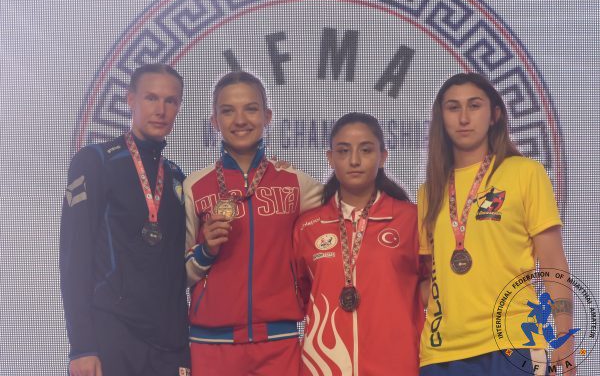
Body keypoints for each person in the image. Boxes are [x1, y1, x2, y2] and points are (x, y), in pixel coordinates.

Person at [418, 73, 575, 375]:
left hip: (514, 341)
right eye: (453, 107)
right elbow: (429, 281)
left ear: (495, 115)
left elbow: (554, 263)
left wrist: (564, 341)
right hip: (442, 354)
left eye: (474, 105)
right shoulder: (429, 192)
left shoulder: (525, 173)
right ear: (441, 118)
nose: (464, 118)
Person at [183, 71, 322, 375]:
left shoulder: (296, 183)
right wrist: (205, 251)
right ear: (214, 121)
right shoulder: (194, 187)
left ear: (267, 116)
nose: (240, 120)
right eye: (227, 111)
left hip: (279, 344)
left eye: (251, 108)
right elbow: (175, 275)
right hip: (210, 346)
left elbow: (343, 213)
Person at [60, 64, 190, 376]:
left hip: (169, 345)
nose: (161, 110)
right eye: (151, 98)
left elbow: (181, 269)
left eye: (170, 101)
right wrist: (82, 346)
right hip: (112, 336)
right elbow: (74, 257)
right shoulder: (95, 161)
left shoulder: (176, 178)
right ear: (130, 99)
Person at [293, 112, 428, 375]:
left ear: (383, 157)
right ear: (330, 158)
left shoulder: (411, 219)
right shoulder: (307, 227)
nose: (354, 160)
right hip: (324, 365)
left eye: (366, 150)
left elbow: (431, 288)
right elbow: (300, 296)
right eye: (343, 151)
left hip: (396, 365)